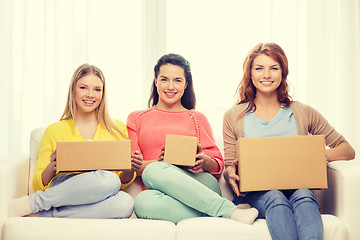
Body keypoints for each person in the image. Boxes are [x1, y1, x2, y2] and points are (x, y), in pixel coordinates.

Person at [223, 43, 356, 239]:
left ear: (283, 73)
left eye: (274, 68)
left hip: (298, 187)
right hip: (258, 193)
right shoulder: (233, 116)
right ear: (250, 74)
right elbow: (229, 166)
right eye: (259, 68)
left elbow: (347, 150)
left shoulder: (302, 111)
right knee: (276, 197)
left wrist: (314, 154)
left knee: (304, 195)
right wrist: (230, 174)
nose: (266, 75)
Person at [126, 53, 258, 224]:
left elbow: (218, 165)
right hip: (160, 191)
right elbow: (132, 166)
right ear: (156, 81)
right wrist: (158, 162)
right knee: (143, 202)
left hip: (200, 183)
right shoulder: (137, 118)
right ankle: (224, 212)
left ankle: (222, 209)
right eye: (164, 79)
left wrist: (203, 161)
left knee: (154, 170)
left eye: (177, 80)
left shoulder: (197, 118)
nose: (170, 86)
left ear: (186, 84)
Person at [8, 63, 142, 218]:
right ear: (73, 90)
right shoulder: (53, 130)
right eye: (83, 88)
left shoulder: (116, 128)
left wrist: (129, 168)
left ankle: (46, 214)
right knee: (109, 179)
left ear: (103, 94)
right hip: (65, 186)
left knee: (125, 202)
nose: (90, 94)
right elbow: (38, 183)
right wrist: (52, 167)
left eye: (97, 89)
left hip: (101, 192)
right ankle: (34, 203)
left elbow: (122, 183)